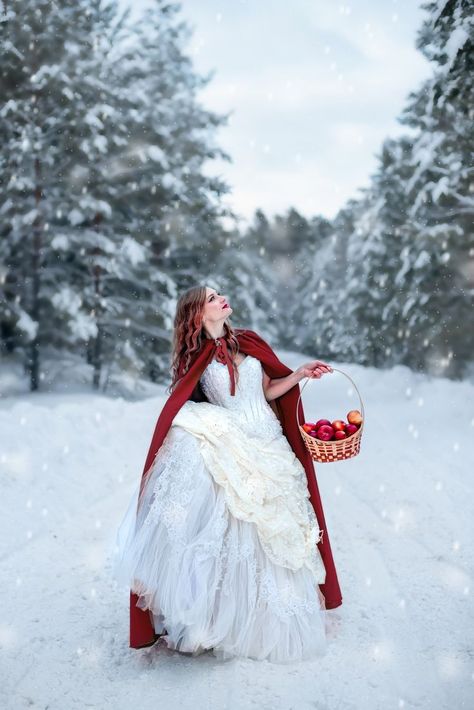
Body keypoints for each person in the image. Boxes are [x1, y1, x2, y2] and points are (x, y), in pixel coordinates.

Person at [111, 285, 342, 663]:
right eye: (212, 299)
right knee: (234, 525)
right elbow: (184, 403)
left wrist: (298, 374)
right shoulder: (195, 360)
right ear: (199, 316)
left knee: (275, 530)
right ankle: (217, 613)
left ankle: (266, 616)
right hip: (232, 440)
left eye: (220, 295)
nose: (222, 300)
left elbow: (267, 390)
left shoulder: (249, 342)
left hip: (268, 441)